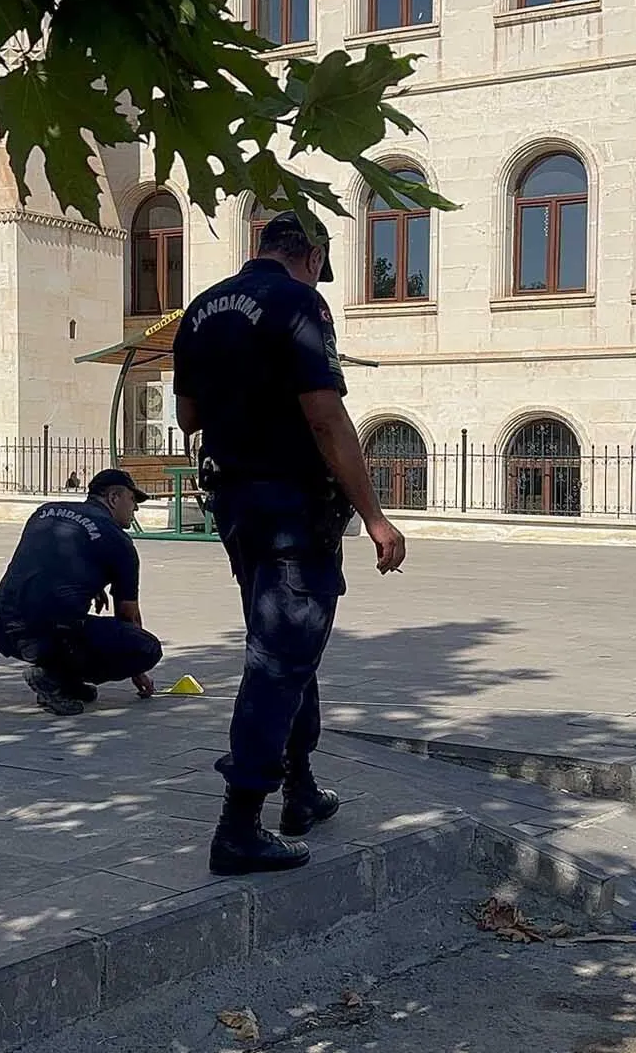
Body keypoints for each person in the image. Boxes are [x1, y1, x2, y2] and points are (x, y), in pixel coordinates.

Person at [172, 210, 407, 877]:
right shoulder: (300, 303)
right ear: (310, 255)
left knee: (285, 644)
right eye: (319, 268)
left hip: (235, 505)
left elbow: (189, 416)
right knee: (278, 658)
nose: (318, 278)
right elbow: (325, 415)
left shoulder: (201, 308)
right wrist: (377, 517)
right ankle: (239, 824)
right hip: (292, 508)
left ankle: (299, 789)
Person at [0, 469, 163, 715]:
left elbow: (48, 565)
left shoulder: (46, 512)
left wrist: (92, 585)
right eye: (133, 500)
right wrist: (137, 671)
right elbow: (128, 615)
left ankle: (65, 682)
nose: (136, 510)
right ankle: (51, 676)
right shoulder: (119, 542)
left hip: (2, 626)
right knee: (147, 647)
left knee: (64, 620)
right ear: (114, 498)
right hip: (46, 634)